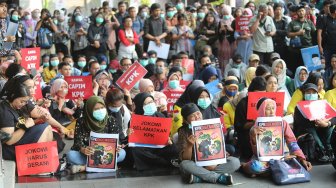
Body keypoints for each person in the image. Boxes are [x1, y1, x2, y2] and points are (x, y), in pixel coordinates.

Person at [241, 98, 312, 176]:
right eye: (268, 109)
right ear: (261, 110)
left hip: (282, 158)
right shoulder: (255, 128)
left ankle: (269, 171)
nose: (271, 111)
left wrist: (302, 159)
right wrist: (253, 136)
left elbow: (292, 142)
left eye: (273, 108)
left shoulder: (283, 123)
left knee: (298, 162)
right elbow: (256, 152)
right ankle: (273, 170)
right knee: (255, 166)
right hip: (264, 160)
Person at [178, 103, 240, 185]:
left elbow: (217, 148)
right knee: (184, 165)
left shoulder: (211, 126)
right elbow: (185, 159)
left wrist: (219, 158)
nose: (197, 117)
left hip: (213, 164)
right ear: (186, 120)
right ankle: (218, 178)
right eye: (192, 116)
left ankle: (200, 178)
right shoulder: (183, 132)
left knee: (235, 162)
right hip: (196, 165)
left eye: (198, 113)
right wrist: (189, 146)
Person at [67, 96, 126, 174]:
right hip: (87, 156)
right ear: (89, 110)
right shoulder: (81, 122)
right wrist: (84, 149)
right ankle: (104, 167)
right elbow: (77, 142)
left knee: (122, 153)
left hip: (106, 156)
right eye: (96, 109)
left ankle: (85, 167)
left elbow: (115, 139)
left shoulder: (111, 120)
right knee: (70, 155)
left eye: (102, 107)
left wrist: (116, 147)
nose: (100, 111)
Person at [0, 77, 53, 161]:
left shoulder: (17, 106)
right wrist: (25, 126)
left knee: (46, 126)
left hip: (20, 138)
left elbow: (22, 124)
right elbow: (9, 141)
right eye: (22, 101)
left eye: (25, 102)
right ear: (13, 96)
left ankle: (45, 161)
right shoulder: (5, 111)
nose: (23, 104)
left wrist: (37, 120)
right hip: (10, 149)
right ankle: (36, 162)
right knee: (44, 128)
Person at [129, 92, 178, 171]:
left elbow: (165, 134)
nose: (150, 104)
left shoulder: (160, 115)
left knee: (173, 148)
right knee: (135, 150)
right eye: (146, 104)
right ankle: (163, 162)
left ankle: (155, 162)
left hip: (159, 147)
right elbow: (133, 139)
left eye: (151, 102)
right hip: (145, 149)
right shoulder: (135, 119)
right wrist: (130, 133)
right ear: (140, 106)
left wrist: (168, 140)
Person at [293, 83, 334, 162]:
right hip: (305, 133)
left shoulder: (323, 104)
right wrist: (317, 122)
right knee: (310, 129)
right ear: (304, 95)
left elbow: (334, 117)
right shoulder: (299, 107)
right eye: (308, 93)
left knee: (330, 127)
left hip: (320, 129)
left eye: (314, 93)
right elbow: (302, 124)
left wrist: (327, 123)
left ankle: (330, 151)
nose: (311, 95)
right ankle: (322, 152)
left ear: (317, 94)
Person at [234, 76, 267, 160]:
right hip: (247, 137)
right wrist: (253, 123)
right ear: (251, 92)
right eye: (257, 93)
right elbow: (239, 126)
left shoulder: (268, 102)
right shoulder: (243, 104)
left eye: (262, 94)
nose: (260, 96)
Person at [287, 5, 316, 74]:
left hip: (308, 48)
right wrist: (298, 33)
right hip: (296, 50)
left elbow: (314, 34)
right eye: (299, 11)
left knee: (309, 69)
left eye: (302, 10)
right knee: (296, 69)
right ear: (297, 12)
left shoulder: (309, 22)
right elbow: (288, 34)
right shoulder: (292, 23)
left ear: (305, 11)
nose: (301, 12)